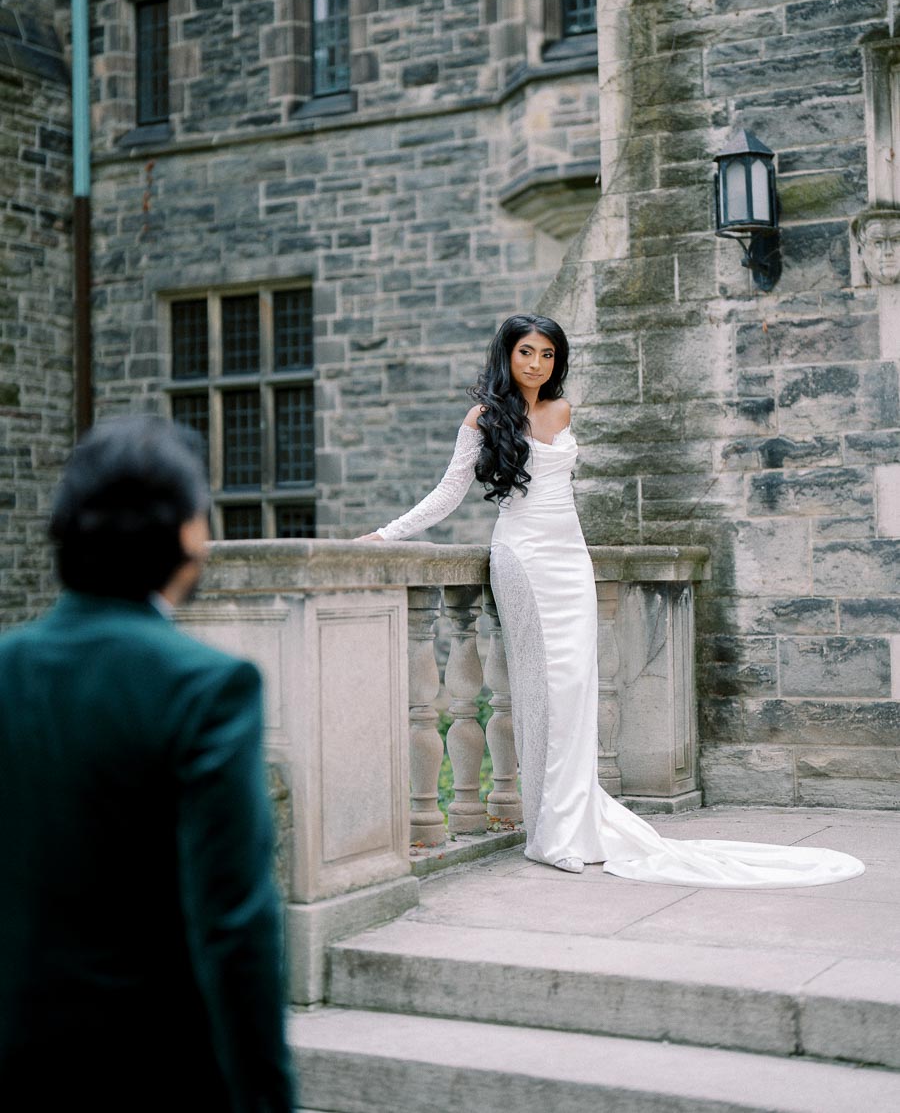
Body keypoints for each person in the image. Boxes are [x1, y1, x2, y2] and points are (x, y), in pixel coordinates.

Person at [360, 313, 864, 888]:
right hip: (520, 559)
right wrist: (385, 534)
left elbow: (561, 494)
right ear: (507, 355)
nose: (537, 364)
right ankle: (551, 831)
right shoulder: (482, 419)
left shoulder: (563, 410)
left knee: (575, 688)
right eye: (527, 352)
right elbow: (449, 493)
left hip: (570, 560)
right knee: (539, 689)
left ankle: (575, 819)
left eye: (548, 355)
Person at [0, 416, 295, 1113]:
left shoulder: (6, 669)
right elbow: (235, 925)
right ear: (188, 535)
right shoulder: (207, 687)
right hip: (149, 1066)